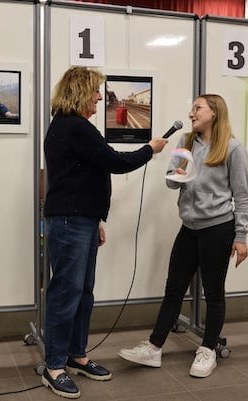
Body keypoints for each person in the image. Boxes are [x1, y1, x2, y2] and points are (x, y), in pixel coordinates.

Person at [42, 66, 168, 399]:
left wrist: (96, 219)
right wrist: (150, 149)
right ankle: (54, 366)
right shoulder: (75, 127)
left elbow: (80, 178)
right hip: (70, 222)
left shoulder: (68, 127)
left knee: (82, 292)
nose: (101, 96)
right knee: (66, 294)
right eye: (96, 90)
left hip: (79, 220)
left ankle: (76, 355)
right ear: (81, 92)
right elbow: (116, 162)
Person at [118, 94, 248, 378]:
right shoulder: (185, 142)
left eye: (197, 108)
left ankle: (207, 350)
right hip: (189, 227)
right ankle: (154, 347)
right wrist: (176, 174)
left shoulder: (232, 148)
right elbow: (170, 182)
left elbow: (242, 197)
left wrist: (241, 236)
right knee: (174, 289)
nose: (191, 113)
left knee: (213, 292)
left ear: (214, 112)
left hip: (218, 228)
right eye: (191, 109)